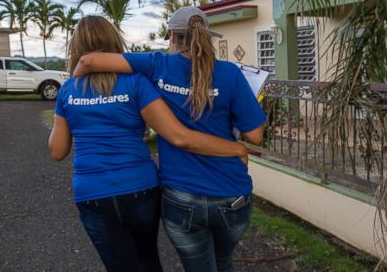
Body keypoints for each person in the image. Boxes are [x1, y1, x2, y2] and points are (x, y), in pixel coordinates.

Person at [48, 15, 251, 272]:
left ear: (75, 47)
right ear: (114, 42)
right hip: (140, 188)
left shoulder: (67, 90)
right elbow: (176, 134)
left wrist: (66, 106)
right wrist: (235, 148)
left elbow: (57, 151)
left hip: (92, 191)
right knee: (147, 259)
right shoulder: (136, 83)